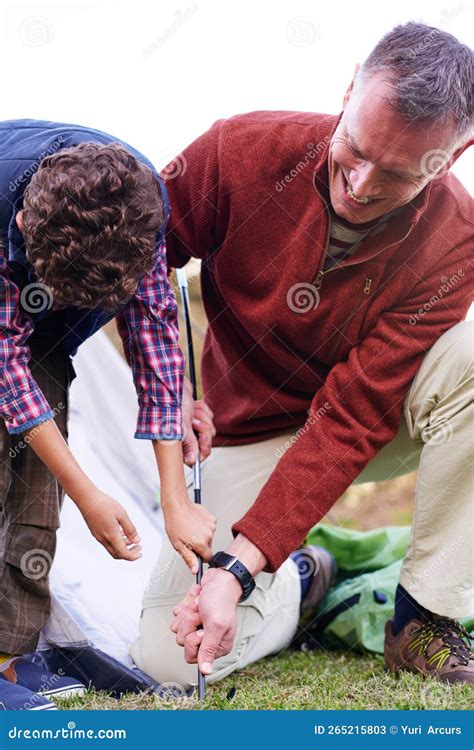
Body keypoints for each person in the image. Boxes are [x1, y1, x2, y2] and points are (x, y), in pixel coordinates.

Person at [131, 22, 474, 686]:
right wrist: (167, 385)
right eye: (354, 149)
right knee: (168, 661)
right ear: (348, 91)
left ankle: (422, 616)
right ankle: (303, 575)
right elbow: (137, 259)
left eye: (398, 174)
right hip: (248, 429)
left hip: (377, 425)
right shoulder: (237, 150)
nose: (362, 186)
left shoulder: (456, 241)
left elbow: (350, 417)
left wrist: (234, 569)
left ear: (453, 155)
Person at [0, 120, 215, 709]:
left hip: (34, 331)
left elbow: (155, 345)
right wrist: (90, 492)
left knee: (41, 483)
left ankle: (9, 657)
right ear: (24, 225)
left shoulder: (139, 217)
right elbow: (6, 370)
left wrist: (174, 496)